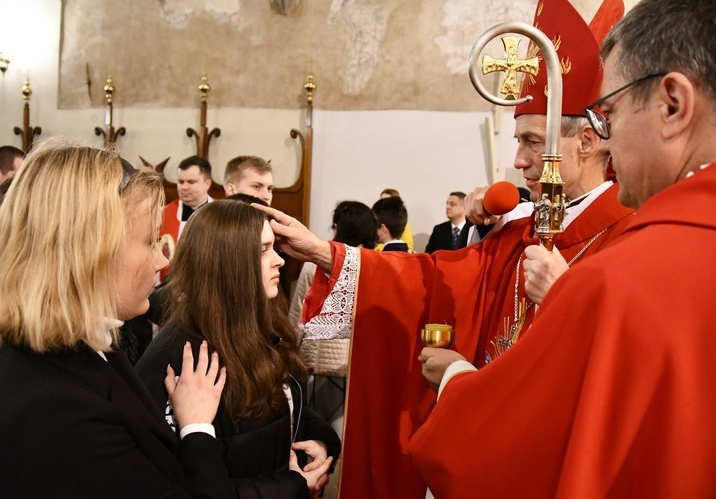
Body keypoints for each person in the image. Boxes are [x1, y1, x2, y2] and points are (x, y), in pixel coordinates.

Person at [254, 0, 629, 496]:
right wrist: (326, 252)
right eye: (517, 140)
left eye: (533, 141)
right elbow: (429, 279)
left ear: (586, 141)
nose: (517, 160)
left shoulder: (629, 240)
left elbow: (624, 381)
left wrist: (563, 298)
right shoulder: (519, 232)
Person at [409, 0, 716, 496]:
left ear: (673, 105)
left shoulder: (628, 272)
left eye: (610, 112)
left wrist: (457, 380)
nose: (608, 136)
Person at [0, 142, 231, 498]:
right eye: (149, 241)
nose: (159, 262)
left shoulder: (79, 349)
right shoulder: (58, 412)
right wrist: (198, 429)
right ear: (89, 251)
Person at [136, 200, 340, 499]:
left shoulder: (254, 327)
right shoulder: (183, 359)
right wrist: (292, 486)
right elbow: (191, 486)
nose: (279, 261)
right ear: (227, 263)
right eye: (262, 251)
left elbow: (282, 408)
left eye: (274, 248)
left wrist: (320, 442)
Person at [289, 200, 377, 437]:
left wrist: (289, 351)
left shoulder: (316, 263)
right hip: (356, 362)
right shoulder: (374, 264)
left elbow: (299, 312)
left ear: (338, 226)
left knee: (315, 434)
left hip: (318, 361)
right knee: (348, 435)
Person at [159, 155, 214, 280]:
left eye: (191, 182)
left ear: (207, 184)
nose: (184, 187)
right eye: (180, 182)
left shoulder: (221, 214)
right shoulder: (161, 214)